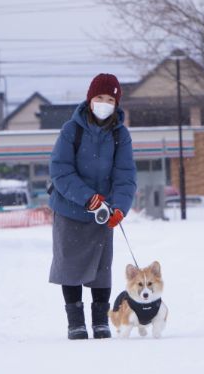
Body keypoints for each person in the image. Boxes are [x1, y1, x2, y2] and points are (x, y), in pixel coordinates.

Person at [48, 73, 137, 340]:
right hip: (70, 209)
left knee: (102, 269)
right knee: (70, 267)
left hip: (102, 214)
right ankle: (75, 322)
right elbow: (60, 171)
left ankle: (100, 321)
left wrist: (119, 207)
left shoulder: (121, 135)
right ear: (90, 99)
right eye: (99, 97)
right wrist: (88, 197)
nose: (104, 103)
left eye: (110, 99)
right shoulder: (71, 130)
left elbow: (126, 176)